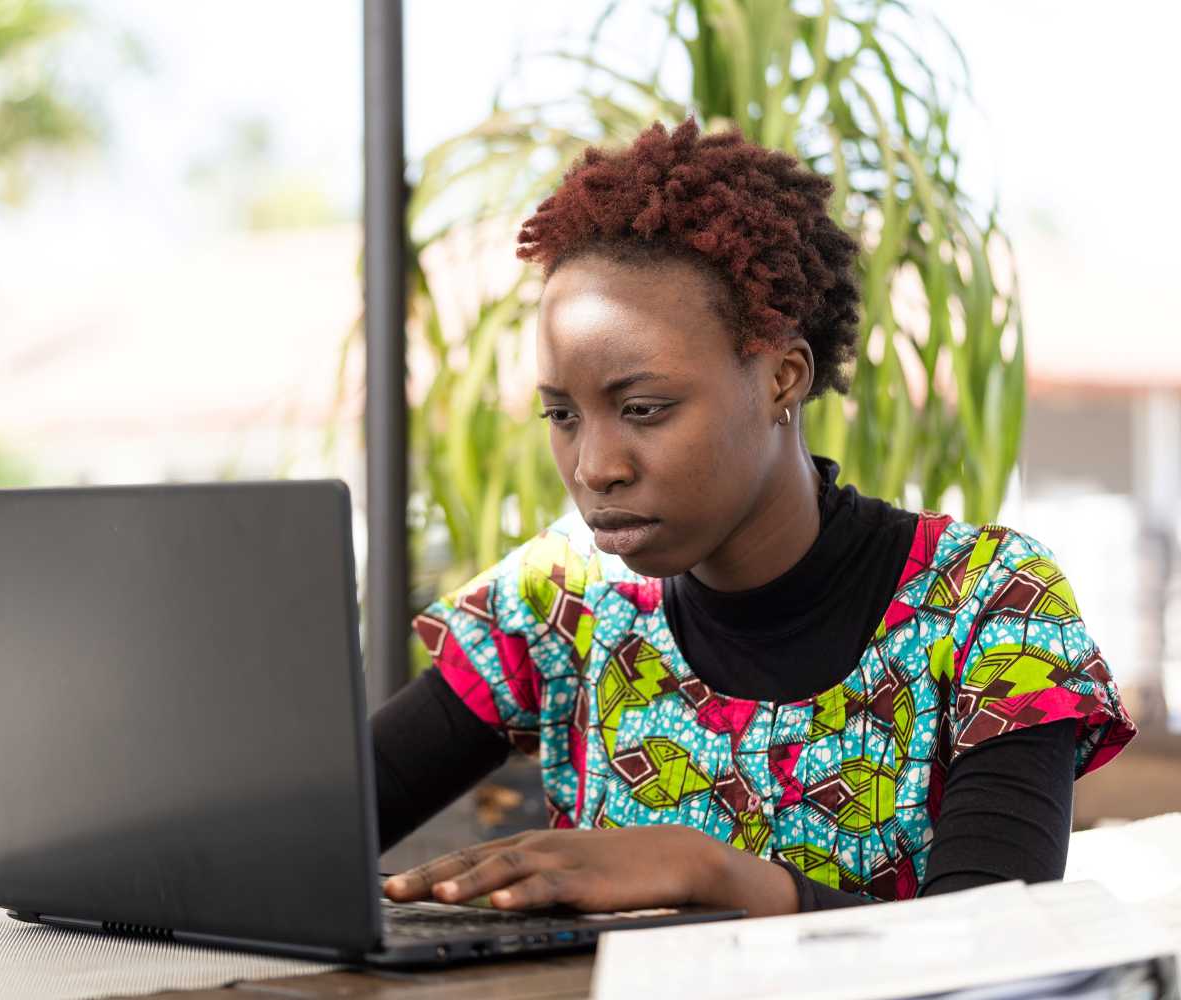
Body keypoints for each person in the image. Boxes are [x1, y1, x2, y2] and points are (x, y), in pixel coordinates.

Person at [373, 119, 1136, 918]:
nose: (596, 465)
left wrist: (714, 876)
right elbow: (313, 835)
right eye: (563, 416)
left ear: (782, 379)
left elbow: (1000, 947)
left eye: (643, 407)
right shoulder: (561, 603)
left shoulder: (988, 607)